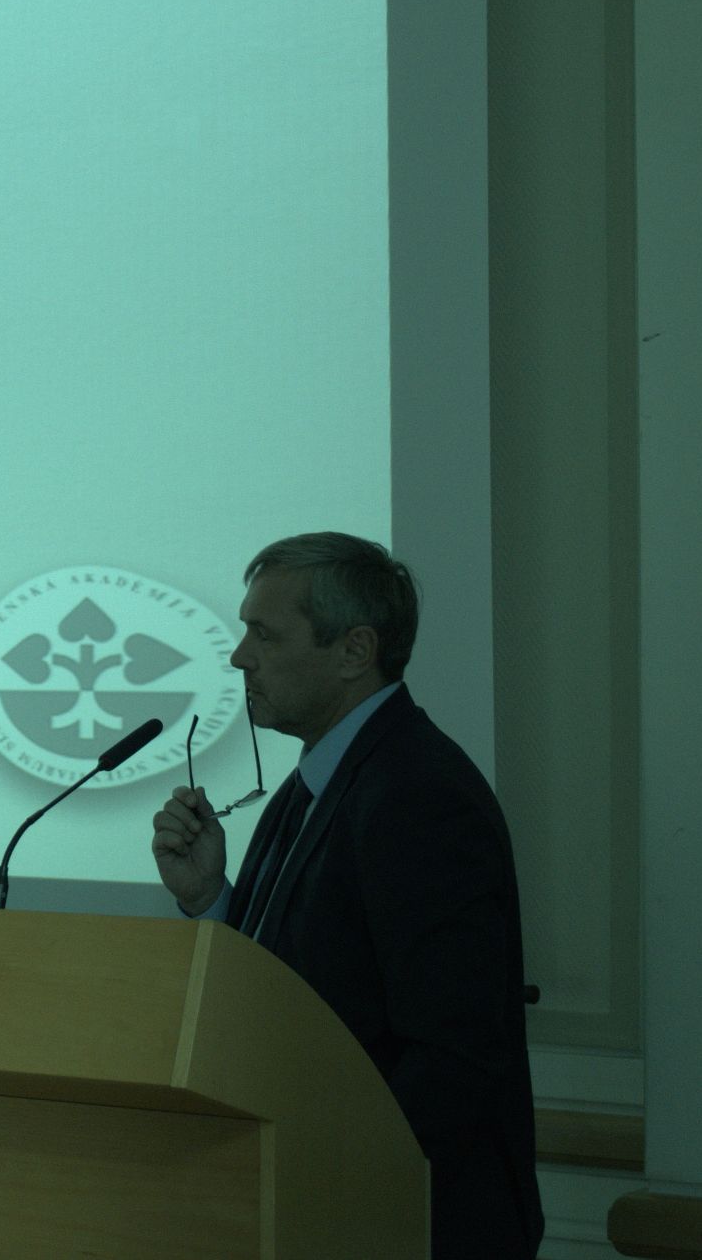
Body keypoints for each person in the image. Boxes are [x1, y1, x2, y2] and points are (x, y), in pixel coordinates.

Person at [151, 532, 543, 1260]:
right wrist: (209, 898)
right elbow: (294, 986)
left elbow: (450, 1055)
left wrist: (321, 1178)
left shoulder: (418, 794)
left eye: (265, 634)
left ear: (355, 650)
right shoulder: (315, 782)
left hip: (400, 1220)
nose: (239, 656)